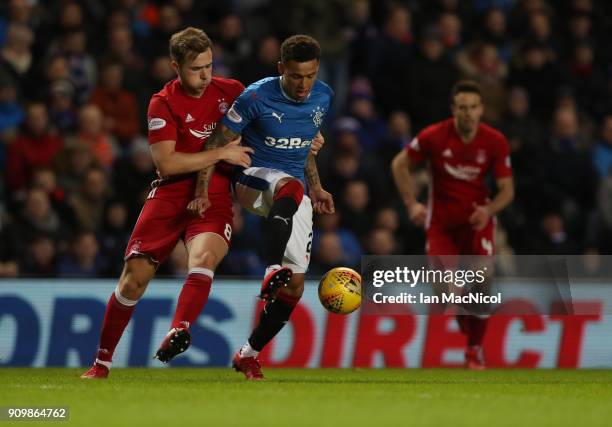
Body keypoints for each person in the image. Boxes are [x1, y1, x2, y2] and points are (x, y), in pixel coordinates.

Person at [81, 27, 253, 379]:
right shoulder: (162, 103)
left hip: (216, 192)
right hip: (172, 192)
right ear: (175, 66)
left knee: (203, 257)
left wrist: (305, 143)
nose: (205, 75)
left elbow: (265, 126)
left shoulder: (232, 92)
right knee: (133, 281)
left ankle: (180, 328)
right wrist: (221, 151)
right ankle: (101, 363)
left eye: (209, 66)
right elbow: (168, 163)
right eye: (196, 68)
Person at [188, 35, 334, 380]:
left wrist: (317, 186)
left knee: (295, 286)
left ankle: (248, 354)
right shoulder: (256, 96)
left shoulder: (323, 96)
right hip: (252, 180)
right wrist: (203, 190)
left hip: (294, 191)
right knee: (289, 187)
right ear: (281, 68)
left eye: (310, 75)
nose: (304, 85)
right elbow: (216, 141)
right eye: (296, 76)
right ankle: (271, 267)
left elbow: (304, 149)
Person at [391, 80, 514, 369]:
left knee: (483, 280)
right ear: (453, 110)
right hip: (442, 225)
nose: (468, 113)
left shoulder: (494, 141)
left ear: (481, 109)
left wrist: (488, 210)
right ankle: (463, 315)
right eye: (462, 107)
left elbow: (507, 189)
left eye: (473, 107)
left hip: (476, 222)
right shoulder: (435, 136)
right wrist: (411, 204)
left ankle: (474, 350)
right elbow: (399, 164)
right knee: (446, 293)